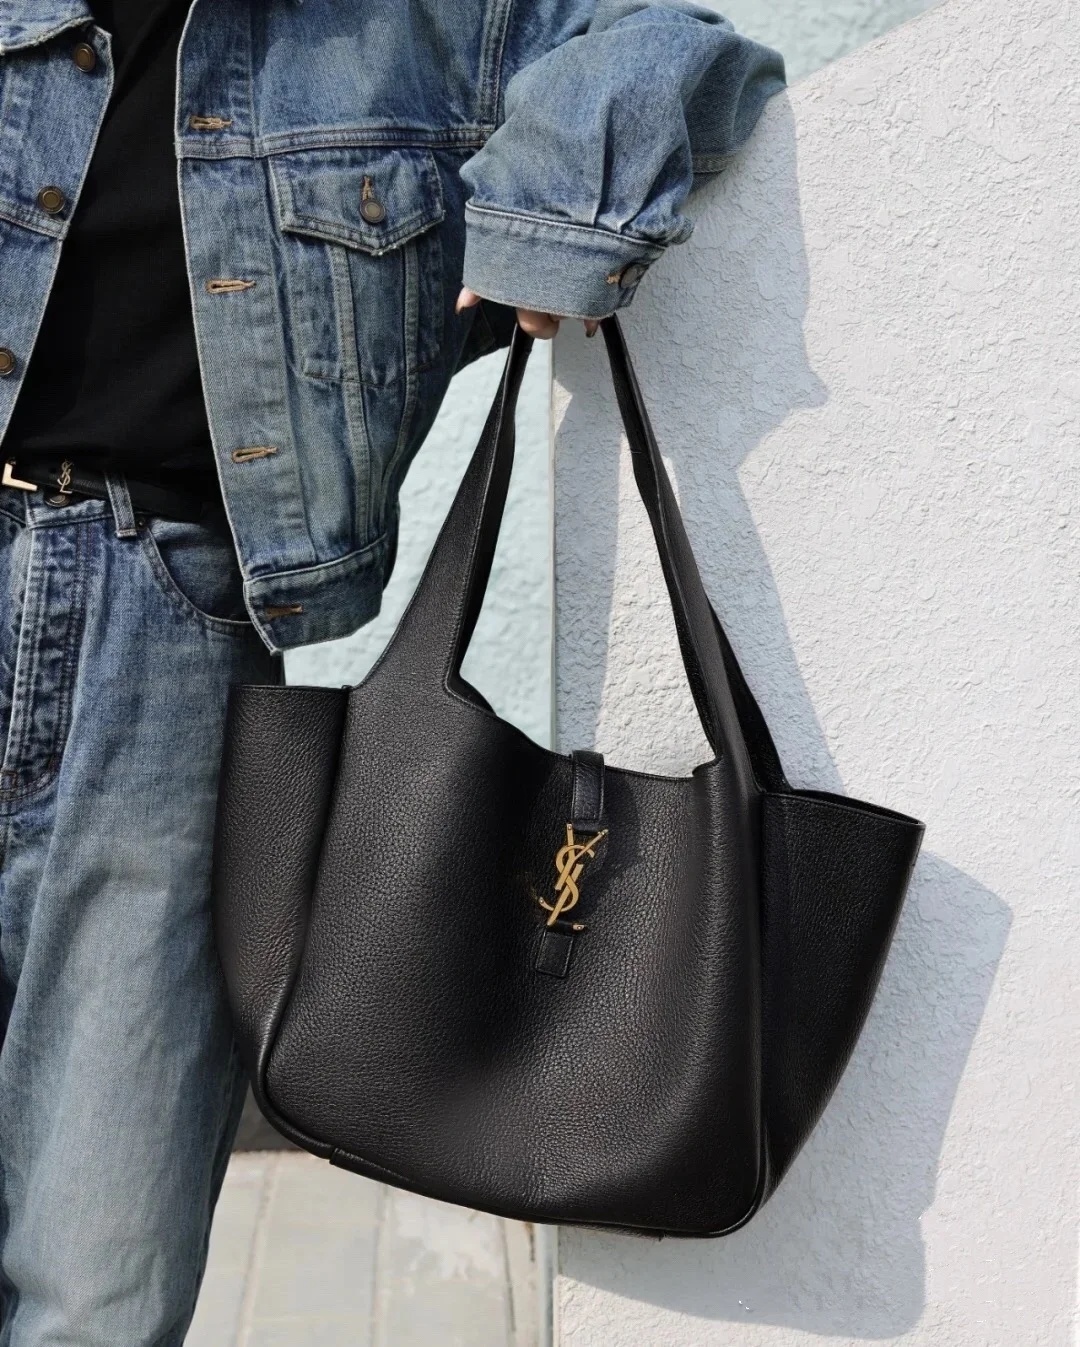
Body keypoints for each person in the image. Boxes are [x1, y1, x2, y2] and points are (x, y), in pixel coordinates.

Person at [0, 1, 784, 1340]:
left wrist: (549, 232)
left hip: (165, 628)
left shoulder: (428, 24)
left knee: (98, 1270)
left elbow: (677, 48)